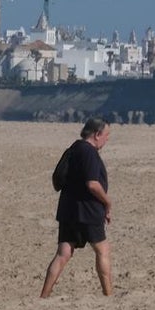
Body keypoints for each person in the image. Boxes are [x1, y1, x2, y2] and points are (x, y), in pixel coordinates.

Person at [41, 117, 113, 298]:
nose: (107, 139)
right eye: (106, 135)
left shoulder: (74, 148)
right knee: (102, 251)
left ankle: (44, 296)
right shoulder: (89, 152)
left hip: (68, 210)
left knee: (63, 253)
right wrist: (107, 202)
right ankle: (109, 295)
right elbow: (92, 184)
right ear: (97, 135)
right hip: (87, 211)